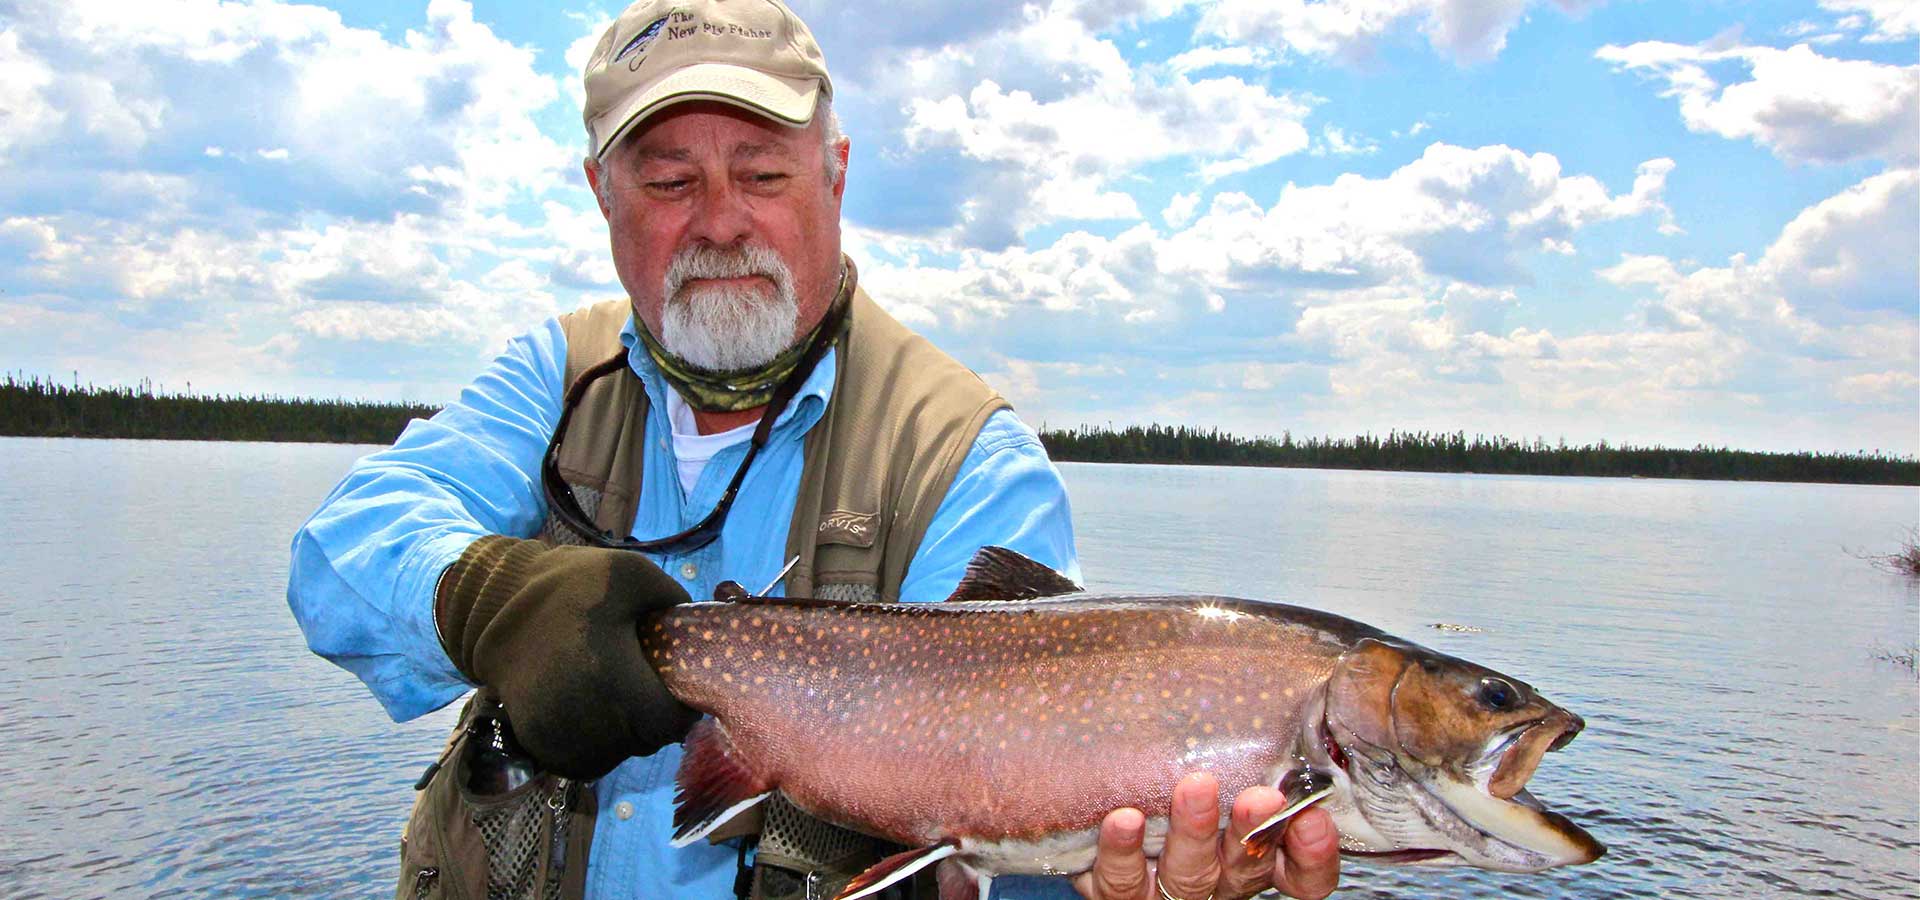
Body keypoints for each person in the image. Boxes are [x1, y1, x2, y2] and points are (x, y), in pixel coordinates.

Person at [285, 1, 1341, 898]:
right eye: (667, 184)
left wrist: (1112, 866)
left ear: (834, 174)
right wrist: (491, 600)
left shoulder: (967, 459)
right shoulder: (552, 377)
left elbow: (1012, 827)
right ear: (600, 194)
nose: (721, 221)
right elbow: (340, 557)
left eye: (761, 173)